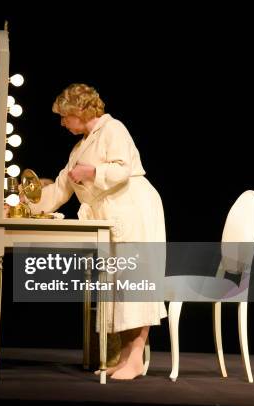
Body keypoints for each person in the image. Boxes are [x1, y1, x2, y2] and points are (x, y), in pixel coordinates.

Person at [27, 83, 167, 380]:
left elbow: (122, 169)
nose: (62, 122)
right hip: (113, 214)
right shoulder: (81, 145)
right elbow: (62, 188)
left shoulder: (113, 129)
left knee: (136, 284)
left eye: (64, 116)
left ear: (79, 111)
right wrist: (26, 204)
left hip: (133, 209)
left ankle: (135, 358)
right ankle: (130, 358)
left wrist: (93, 173)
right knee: (120, 287)